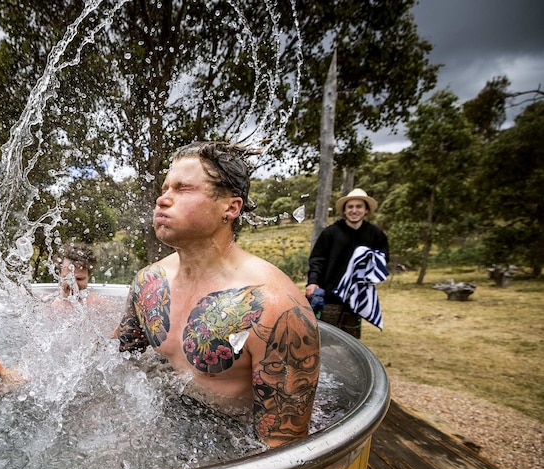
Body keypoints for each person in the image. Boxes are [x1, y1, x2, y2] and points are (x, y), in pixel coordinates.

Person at [114, 141, 320, 447]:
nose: (162, 200)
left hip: (229, 444)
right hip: (162, 429)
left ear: (230, 207)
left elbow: (281, 448)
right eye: (164, 188)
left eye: (182, 189)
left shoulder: (275, 308)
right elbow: (114, 360)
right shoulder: (149, 283)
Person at [306, 188, 390, 339]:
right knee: (324, 340)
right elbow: (317, 259)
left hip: (355, 299)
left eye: (359, 206)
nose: (354, 210)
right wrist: (313, 282)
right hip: (329, 297)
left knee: (349, 343)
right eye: (350, 207)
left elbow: (382, 260)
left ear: (366, 210)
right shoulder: (330, 233)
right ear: (344, 211)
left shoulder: (375, 234)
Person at [44, 243, 108, 309]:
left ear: (88, 277)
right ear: (59, 274)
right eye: (68, 278)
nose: (73, 284)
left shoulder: (101, 305)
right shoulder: (46, 305)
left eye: (80, 279)